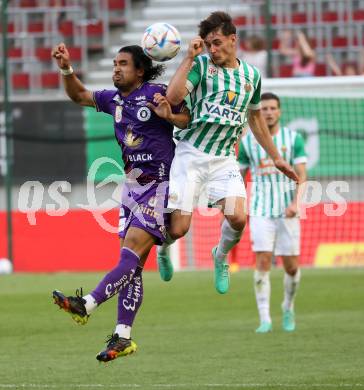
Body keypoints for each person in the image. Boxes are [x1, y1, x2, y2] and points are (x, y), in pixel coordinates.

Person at [50, 43, 190, 362]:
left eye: (123, 63)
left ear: (139, 70)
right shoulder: (112, 99)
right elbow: (80, 95)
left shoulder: (156, 93)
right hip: (130, 188)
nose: (116, 68)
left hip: (158, 183)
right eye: (114, 63)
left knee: (131, 253)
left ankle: (87, 304)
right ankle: (123, 337)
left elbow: (185, 117)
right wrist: (66, 69)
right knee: (132, 266)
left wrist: (171, 112)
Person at [156, 11, 299, 295]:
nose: (213, 49)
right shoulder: (201, 66)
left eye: (218, 42)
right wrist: (188, 58)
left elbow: (255, 119)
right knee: (179, 228)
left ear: (233, 40)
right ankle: (164, 250)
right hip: (190, 154)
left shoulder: (251, 76)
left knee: (238, 218)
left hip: (223, 159)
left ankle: (220, 256)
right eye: (209, 43)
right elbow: (172, 100)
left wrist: (277, 158)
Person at [238, 92, 307, 333]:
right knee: (263, 261)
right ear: (258, 112)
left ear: (279, 111)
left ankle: (288, 306)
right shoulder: (247, 142)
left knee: (291, 267)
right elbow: (239, 176)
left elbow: (302, 175)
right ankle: (265, 318)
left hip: (287, 211)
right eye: (264, 108)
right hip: (260, 209)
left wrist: (296, 203)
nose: (268, 112)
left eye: (272, 108)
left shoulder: (293, 138)